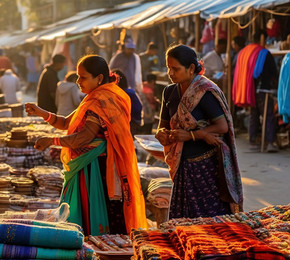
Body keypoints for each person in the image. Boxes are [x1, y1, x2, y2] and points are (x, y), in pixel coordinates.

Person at [25, 55, 147, 235]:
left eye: (83, 77)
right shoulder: (92, 98)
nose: (78, 81)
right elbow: (67, 122)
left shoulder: (102, 100)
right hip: (89, 164)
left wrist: (52, 141)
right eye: (77, 76)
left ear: (98, 78)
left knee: (98, 214)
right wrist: (42, 113)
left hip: (98, 168)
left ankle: (102, 251)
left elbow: (84, 137)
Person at [155, 44, 243, 219]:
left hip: (205, 167)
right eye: (168, 68)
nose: (170, 73)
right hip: (182, 166)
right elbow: (163, 125)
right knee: (182, 219)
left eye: (176, 69)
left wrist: (193, 135)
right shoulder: (169, 92)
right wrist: (161, 134)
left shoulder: (204, 92)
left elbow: (222, 126)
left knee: (210, 220)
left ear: (191, 68)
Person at [233, 30, 279, 152]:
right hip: (262, 88)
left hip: (248, 89)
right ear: (262, 38)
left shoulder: (243, 52)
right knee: (268, 115)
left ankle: (252, 141)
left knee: (254, 114)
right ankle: (270, 142)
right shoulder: (263, 52)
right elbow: (274, 72)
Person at [112, 69, 142, 137]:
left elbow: (136, 109)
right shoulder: (128, 91)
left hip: (131, 122)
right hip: (133, 121)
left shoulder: (125, 93)